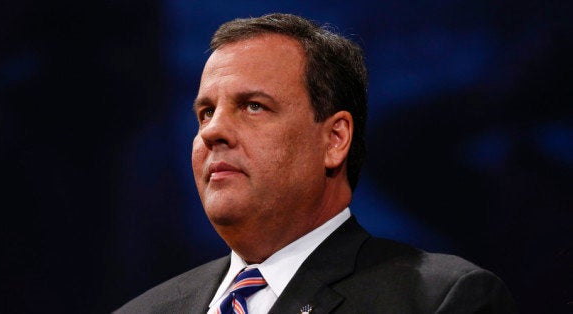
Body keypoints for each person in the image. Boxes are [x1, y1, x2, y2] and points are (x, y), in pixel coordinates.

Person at [115, 13, 516, 313]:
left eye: (253, 106)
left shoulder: (439, 300)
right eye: (205, 112)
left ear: (335, 139)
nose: (211, 132)